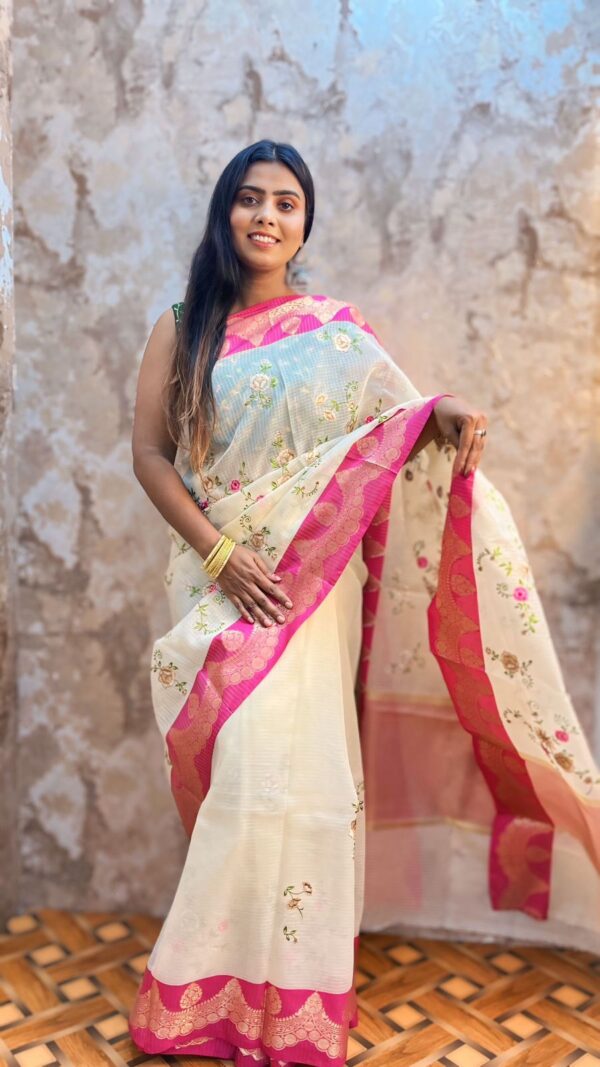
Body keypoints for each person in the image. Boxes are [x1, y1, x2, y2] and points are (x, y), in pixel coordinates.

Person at [128, 140, 600, 1067]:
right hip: (222, 578)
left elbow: (397, 422)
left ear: (305, 225)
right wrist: (221, 554)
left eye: (286, 203)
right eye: (251, 199)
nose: (267, 216)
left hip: (311, 586)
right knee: (246, 778)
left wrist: (448, 411)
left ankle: (297, 1002)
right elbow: (150, 454)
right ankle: (209, 993)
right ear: (225, 212)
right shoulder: (182, 326)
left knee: (306, 779)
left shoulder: (335, 333)